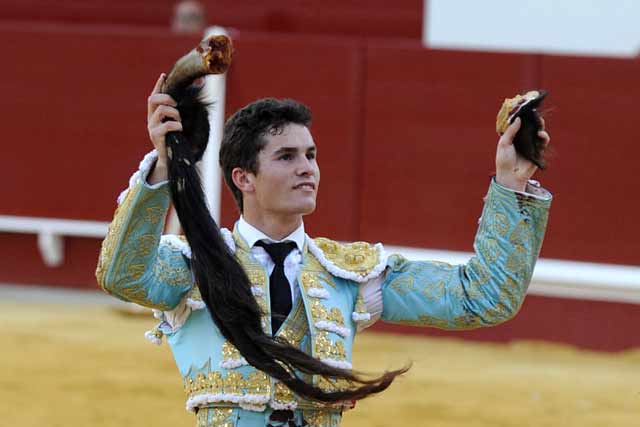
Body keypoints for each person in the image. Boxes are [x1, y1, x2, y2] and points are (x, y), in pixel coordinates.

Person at [96, 73, 552, 427]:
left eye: (311, 155)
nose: (307, 169)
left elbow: (482, 297)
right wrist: (163, 164)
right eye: (287, 156)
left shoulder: (350, 275)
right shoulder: (195, 267)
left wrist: (511, 184)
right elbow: (121, 274)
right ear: (243, 178)